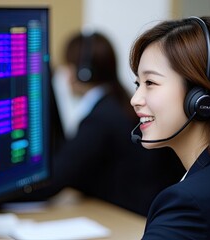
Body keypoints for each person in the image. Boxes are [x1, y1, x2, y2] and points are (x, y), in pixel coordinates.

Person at [16, 31, 185, 216]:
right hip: (139, 212)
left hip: (129, 219)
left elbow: (55, 180)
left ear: (83, 72)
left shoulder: (101, 119)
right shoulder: (118, 102)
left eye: (69, 67)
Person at [129, 16, 210, 239]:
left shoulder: (188, 204)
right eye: (138, 84)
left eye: (150, 83)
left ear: (201, 98)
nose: (135, 99)